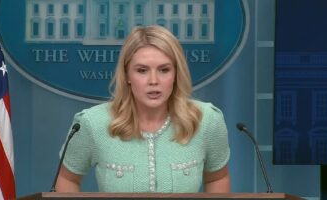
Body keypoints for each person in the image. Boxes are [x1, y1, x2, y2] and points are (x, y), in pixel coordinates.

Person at [55, 25, 231, 193]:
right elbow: (67, 179)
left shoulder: (206, 120)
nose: (153, 80)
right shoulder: (91, 123)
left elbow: (217, 179)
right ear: (127, 75)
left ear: (176, 74)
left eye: (164, 70)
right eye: (142, 70)